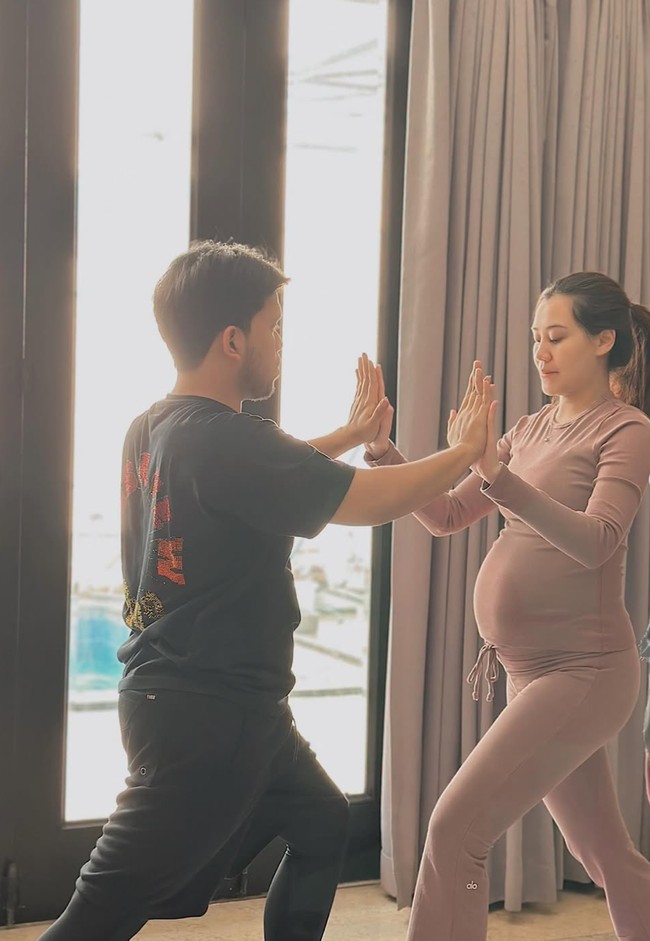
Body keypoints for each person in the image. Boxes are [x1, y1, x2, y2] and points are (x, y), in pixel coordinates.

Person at [38, 240, 493, 941]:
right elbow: (367, 500)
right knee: (96, 916)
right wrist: (462, 453)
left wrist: (348, 432)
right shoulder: (227, 439)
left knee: (321, 818)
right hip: (210, 720)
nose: (280, 345)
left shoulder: (154, 426)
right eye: (273, 327)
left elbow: (259, 475)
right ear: (231, 339)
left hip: (215, 704)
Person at [363, 273, 650, 940]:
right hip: (531, 673)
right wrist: (385, 451)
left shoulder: (628, 430)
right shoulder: (530, 426)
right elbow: (447, 514)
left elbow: (597, 540)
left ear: (605, 340)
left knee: (457, 825)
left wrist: (497, 471)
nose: (540, 352)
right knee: (603, 852)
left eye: (556, 336)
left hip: (586, 672)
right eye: (534, 339)